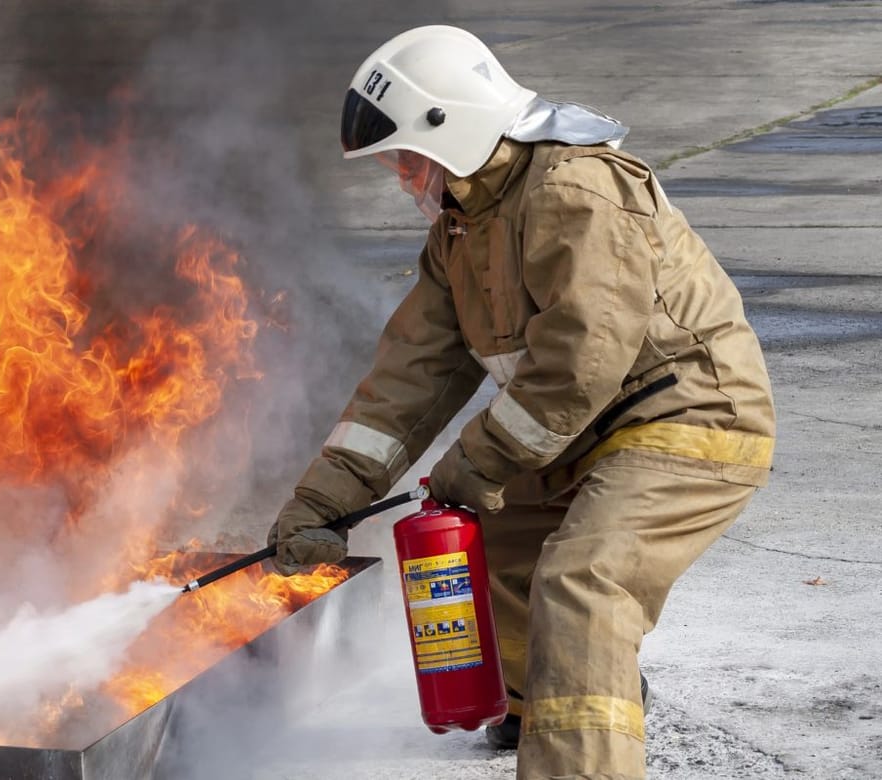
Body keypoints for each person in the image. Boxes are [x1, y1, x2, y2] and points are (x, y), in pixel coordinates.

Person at [268, 24, 775, 780]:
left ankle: (582, 763)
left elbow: (581, 359)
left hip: (688, 420)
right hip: (583, 435)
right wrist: (323, 500)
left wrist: (479, 458)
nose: (405, 179)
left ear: (456, 127)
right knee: (488, 545)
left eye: (409, 159)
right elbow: (411, 379)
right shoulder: (461, 232)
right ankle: (550, 695)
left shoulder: (576, 192)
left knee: (582, 580)